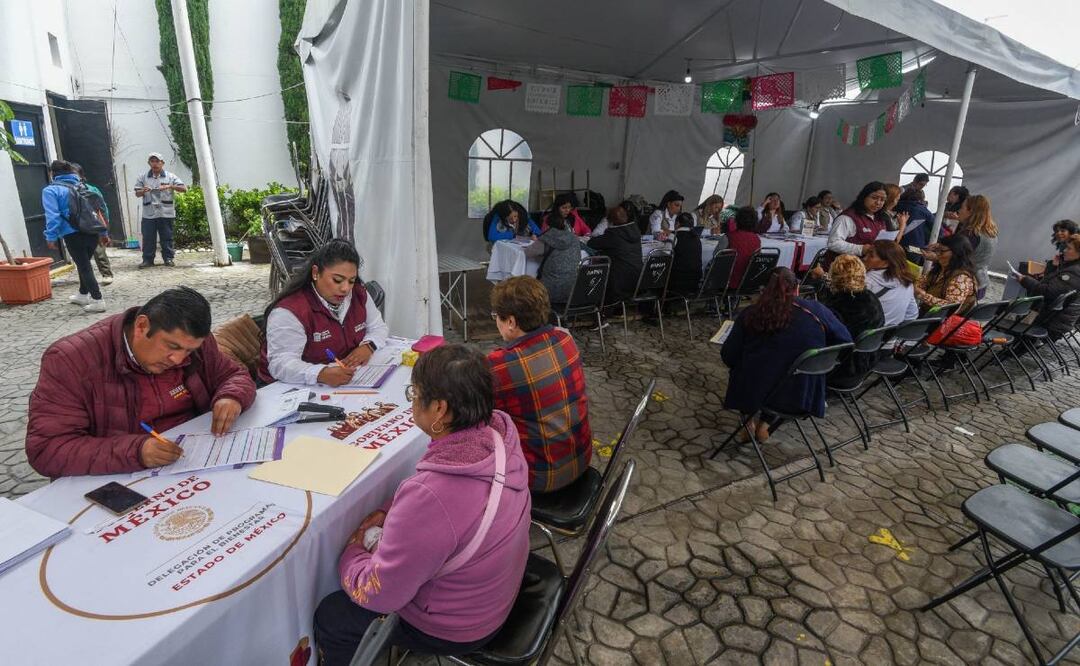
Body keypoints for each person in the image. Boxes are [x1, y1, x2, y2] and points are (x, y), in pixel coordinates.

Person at [315, 344, 531, 664]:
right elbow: (439, 511)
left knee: (332, 616)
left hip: (459, 626)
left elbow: (380, 594)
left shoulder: (434, 495)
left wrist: (354, 549)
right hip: (494, 592)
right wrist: (391, 509)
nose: (413, 402)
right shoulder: (500, 438)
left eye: (414, 394)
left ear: (440, 410)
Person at [26, 287, 256, 477]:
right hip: (121, 476)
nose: (178, 359)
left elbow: (234, 375)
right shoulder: (71, 360)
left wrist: (230, 396)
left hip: (197, 461)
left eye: (188, 351)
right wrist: (136, 451)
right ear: (141, 326)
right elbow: (47, 449)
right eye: (172, 347)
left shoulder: (194, 344)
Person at [487, 277, 592, 492]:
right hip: (581, 458)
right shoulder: (565, 339)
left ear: (511, 322)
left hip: (541, 477)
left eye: (496, 316)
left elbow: (477, 416)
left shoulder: (500, 365)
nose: (496, 321)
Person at [721, 268, 851, 441]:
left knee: (750, 368)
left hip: (755, 391)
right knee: (781, 370)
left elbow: (729, 355)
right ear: (796, 288)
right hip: (803, 394)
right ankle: (765, 424)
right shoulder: (818, 311)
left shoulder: (751, 313)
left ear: (764, 289)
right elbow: (846, 340)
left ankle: (749, 421)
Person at [260, 240, 389, 386]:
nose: (345, 289)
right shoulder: (290, 311)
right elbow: (280, 363)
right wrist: (319, 374)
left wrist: (368, 346)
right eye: (337, 280)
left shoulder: (358, 294)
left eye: (351, 281)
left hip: (345, 379)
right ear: (316, 273)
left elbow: (378, 327)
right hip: (288, 389)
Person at [41, 160, 109, 313]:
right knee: (83, 263)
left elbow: (52, 216)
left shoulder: (51, 190)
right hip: (92, 231)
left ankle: (98, 300)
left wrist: (51, 237)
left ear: (52, 173)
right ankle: (82, 294)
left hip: (73, 233)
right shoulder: (86, 187)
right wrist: (103, 232)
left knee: (84, 266)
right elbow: (99, 211)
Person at [820, 257, 884, 381]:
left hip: (838, 371)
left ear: (834, 276)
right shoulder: (872, 299)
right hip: (866, 364)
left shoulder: (836, 308)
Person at [1013, 233, 1080, 340]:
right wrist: (1054, 267)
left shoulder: (1074, 272)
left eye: (1069, 248)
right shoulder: (1071, 267)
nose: (1064, 251)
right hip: (1055, 318)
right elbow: (1049, 284)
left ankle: (1014, 343)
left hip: (1052, 322)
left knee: (1012, 309)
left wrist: (1024, 279)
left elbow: (1046, 291)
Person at [133, 152, 187, 268]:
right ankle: (148, 260)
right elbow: (137, 193)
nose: (155, 164)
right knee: (148, 238)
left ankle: (168, 258)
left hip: (166, 213)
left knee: (167, 237)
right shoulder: (143, 177)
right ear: (149, 163)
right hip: (149, 213)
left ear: (162, 163)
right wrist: (143, 190)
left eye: (157, 161)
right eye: (152, 161)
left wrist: (170, 186)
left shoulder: (170, 176)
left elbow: (184, 188)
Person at [70, 162, 114, 286]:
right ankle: (85, 279)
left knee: (99, 250)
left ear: (81, 176)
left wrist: (105, 224)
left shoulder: (91, 189)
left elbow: (102, 208)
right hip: (78, 225)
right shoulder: (68, 190)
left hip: (94, 223)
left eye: (74, 174)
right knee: (81, 254)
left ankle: (106, 274)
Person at [587, 205, 642, 302]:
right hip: (637, 280)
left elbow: (592, 243)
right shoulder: (635, 230)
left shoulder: (613, 234)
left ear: (610, 221)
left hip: (618, 284)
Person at [526, 209, 580, 304]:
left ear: (548, 225)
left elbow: (529, 252)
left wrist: (536, 241)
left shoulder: (546, 238)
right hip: (571, 289)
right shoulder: (574, 238)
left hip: (549, 290)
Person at [915, 234, 978, 315]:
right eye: (937, 250)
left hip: (942, 322)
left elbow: (951, 307)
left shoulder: (961, 278)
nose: (937, 254)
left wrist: (923, 295)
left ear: (956, 253)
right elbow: (922, 282)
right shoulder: (941, 268)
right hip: (930, 315)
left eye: (942, 251)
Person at [827, 181, 890, 259]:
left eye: (882, 200)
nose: (878, 202)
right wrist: (860, 249)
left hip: (868, 265)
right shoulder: (848, 217)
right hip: (845, 266)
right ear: (864, 197)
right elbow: (833, 243)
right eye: (874, 198)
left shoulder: (880, 218)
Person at [863, 240, 919, 326]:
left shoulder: (865, 281)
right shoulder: (907, 283)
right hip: (886, 336)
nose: (865, 258)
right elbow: (912, 315)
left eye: (871, 256)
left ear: (886, 262)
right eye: (866, 254)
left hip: (861, 335)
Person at [954, 194, 999, 299]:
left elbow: (955, 260)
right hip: (981, 282)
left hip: (965, 284)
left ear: (971, 211)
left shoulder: (970, 234)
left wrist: (936, 256)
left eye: (962, 208)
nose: (959, 211)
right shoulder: (991, 232)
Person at [727, 206, 763, 289]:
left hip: (729, 280)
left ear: (737, 220)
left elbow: (716, 256)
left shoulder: (729, 237)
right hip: (748, 280)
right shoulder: (756, 239)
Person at [668, 213, 703, 295]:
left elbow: (666, 255)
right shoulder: (696, 237)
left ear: (677, 223)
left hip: (678, 280)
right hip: (695, 281)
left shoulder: (673, 236)